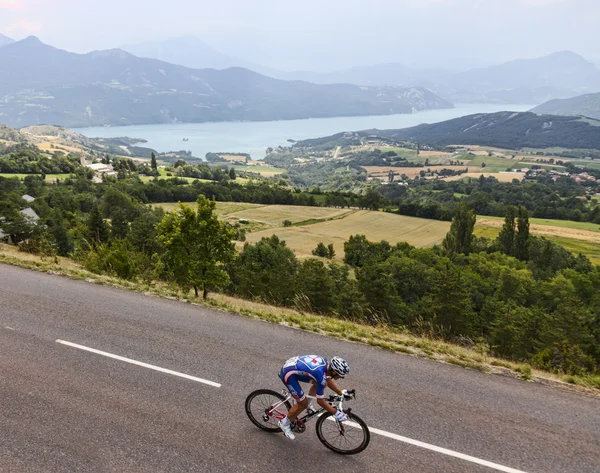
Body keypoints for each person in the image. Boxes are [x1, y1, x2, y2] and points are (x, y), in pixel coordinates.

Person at [278, 355, 350, 440]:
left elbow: (327, 379)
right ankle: (284, 423)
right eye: (339, 375)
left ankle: (308, 404)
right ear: (334, 371)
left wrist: (340, 392)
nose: (341, 377)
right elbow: (320, 401)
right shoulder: (320, 375)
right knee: (302, 404)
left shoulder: (326, 366)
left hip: (293, 366)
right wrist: (336, 413)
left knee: (323, 383)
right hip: (288, 374)